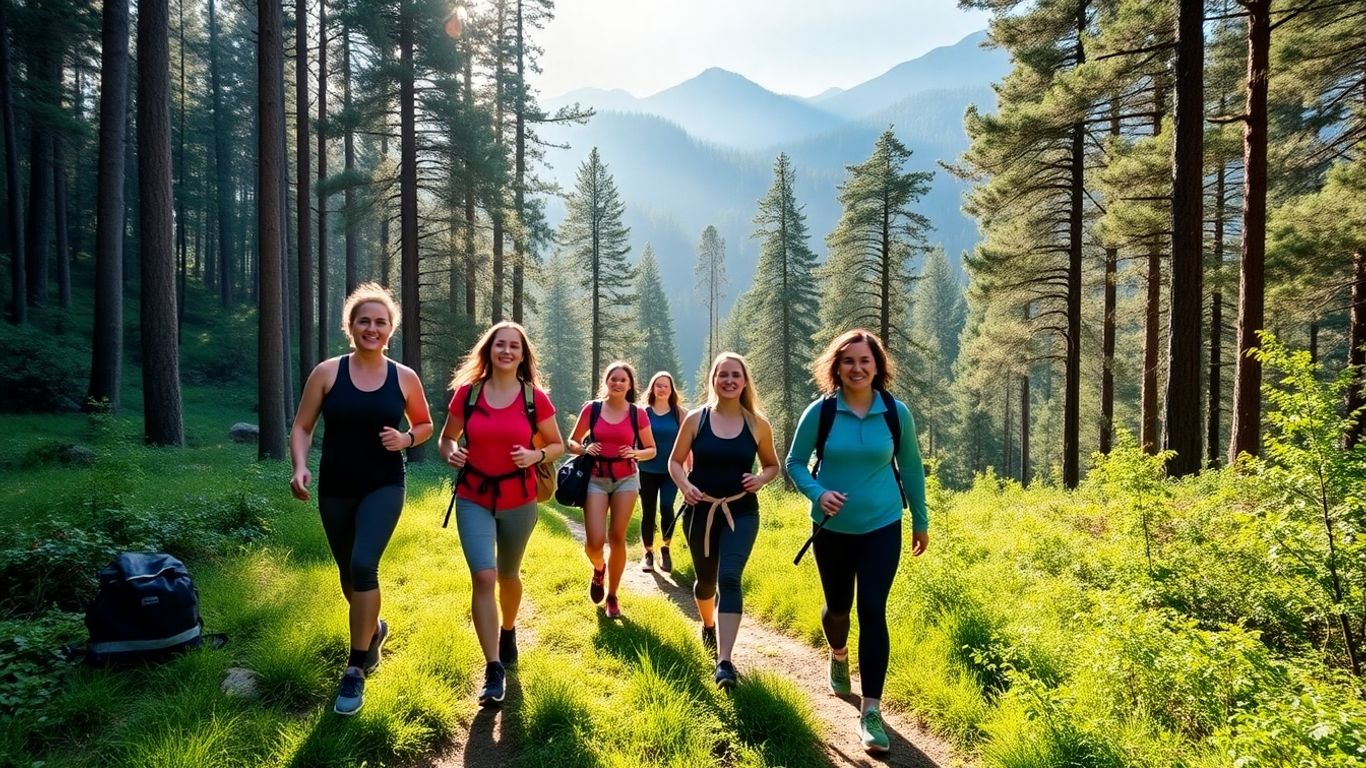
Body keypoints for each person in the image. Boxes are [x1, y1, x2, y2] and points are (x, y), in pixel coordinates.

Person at [289, 282, 433, 716]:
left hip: (384, 485)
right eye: (364, 321)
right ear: (350, 326)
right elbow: (302, 426)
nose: (372, 328)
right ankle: (373, 630)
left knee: (363, 565)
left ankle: (355, 669)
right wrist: (299, 466)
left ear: (391, 329)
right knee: (347, 573)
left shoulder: (403, 377)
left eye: (380, 322)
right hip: (335, 487)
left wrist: (406, 437)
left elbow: (426, 425)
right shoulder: (327, 373)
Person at [784, 329, 929, 755]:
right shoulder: (822, 411)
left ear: (877, 365)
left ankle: (870, 711)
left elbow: (913, 468)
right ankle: (839, 652)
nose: (858, 368)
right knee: (838, 610)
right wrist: (818, 494)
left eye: (865, 361)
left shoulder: (895, 412)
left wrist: (920, 520)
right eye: (849, 361)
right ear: (837, 366)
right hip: (832, 530)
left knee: (872, 609)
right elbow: (794, 462)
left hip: (883, 524)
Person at [438, 321, 564, 707]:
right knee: (484, 575)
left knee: (508, 575)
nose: (506, 351)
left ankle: (508, 628)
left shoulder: (534, 399)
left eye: (514, 347)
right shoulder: (468, 394)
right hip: (474, 495)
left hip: (519, 499)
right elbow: (447, 438)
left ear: (523, 355)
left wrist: (535, 455)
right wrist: (450, 452)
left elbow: (558, 444)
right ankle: (493, 667)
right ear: (488, 350)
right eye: (500, 345)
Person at [668, 352, 781, 689]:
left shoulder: (757, 424)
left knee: (729, 578)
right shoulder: (696, 420)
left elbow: (772, 465)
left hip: (741, 512)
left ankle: (725, 661)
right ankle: (707, 625)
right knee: (705, 582)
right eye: (723, 375)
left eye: (736, 375)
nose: (729, 380)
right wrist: (686, 486)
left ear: (745, 381)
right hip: (700, 513)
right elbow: (675, 462)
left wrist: (761, 480)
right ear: (713, 380)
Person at [566, 362, 656, 618]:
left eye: (623, 380)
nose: (617, 383)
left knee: (617, 537)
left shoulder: (637, 413)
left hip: (626, 478)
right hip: (594, 478)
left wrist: (636, 453)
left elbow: (652, 449)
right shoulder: (592, 409)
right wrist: (584, 448)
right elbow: (571, 441)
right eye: (613, 379)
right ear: (606, 382)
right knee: (594, 543)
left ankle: (613, 596)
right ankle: (598, 568)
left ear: (630, 385)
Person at [637, 371, 686, 573]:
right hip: (645, 470)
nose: (662, 389)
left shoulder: (679, 413)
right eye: (658, 385)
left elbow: (688, 442)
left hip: (670, 472)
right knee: (648, 511)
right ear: (652, 388)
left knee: (667, 507)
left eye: (666, 385)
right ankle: (647, 553)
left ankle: (665, 548)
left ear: (671, 389)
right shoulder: (643, 412)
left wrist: (689, 469)